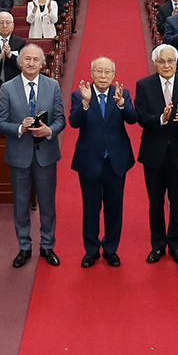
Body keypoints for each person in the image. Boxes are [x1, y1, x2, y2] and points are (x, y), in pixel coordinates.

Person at [0, 43, 65, 267]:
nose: (31, 63)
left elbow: (60, 120)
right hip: (19, 155)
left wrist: (49, 131)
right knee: (21, 203)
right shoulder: (7, 88)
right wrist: (19, 128)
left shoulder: (52, 86)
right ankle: (24, 246)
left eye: (36, 60)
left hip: (46, 154)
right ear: (20, 62)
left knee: (47, 204)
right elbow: (0, 123)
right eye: (27, 59)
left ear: (42, 64)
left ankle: (47, 245)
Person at [70, 57, 138, 267]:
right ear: (91, 73)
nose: (103, 76)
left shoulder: (122, 94)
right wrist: (85, 103)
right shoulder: (79, 94)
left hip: (115, 160)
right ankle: (91, 249)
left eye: (107, 72)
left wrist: (122, 104)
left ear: (113, 75)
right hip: (89, 160)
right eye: (99, 71)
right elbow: (73, 122)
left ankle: (110, 248)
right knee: (90, 208)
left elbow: (132, 119)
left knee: (114, 208)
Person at [135, 44, 178, 264]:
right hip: (153, 153)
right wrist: (161, 119)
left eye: (171, 61)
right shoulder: (144, 85)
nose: (167, 65)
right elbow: (140, 116)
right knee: (155, 202)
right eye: (162, 61)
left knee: (177, 201)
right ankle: (158, 245)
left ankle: (176, 245)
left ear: (177, 62)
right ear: (155, 63)